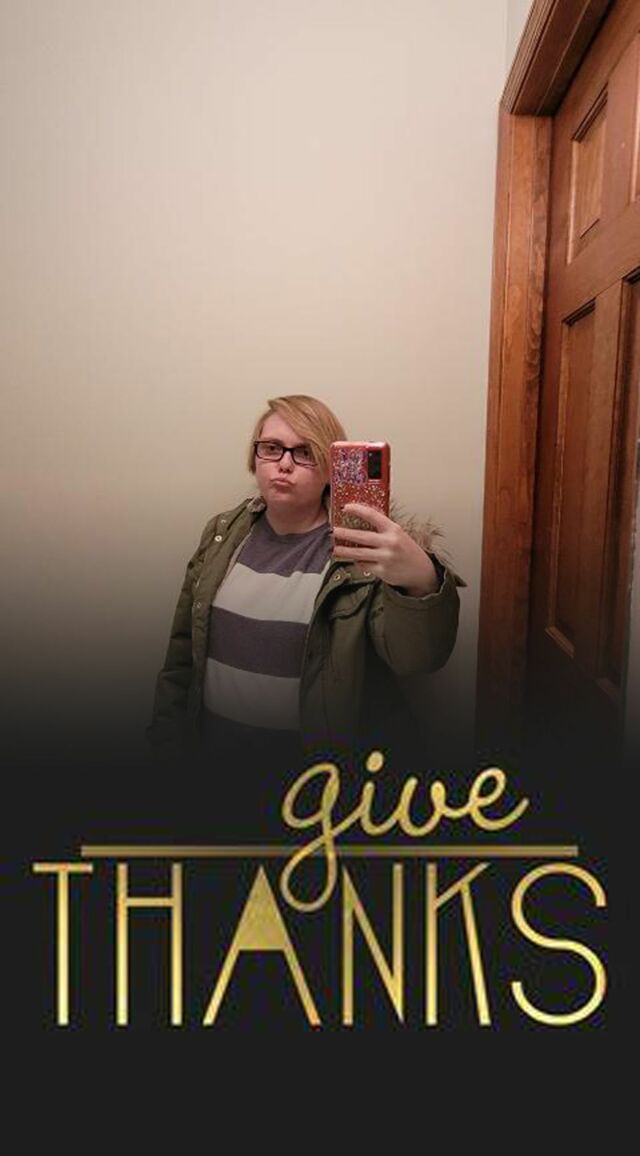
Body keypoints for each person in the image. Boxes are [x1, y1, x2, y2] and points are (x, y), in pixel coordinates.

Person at [148, 395, 461, 815]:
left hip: (320, 797)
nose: (284, 464)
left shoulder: (364, 553)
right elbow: (182, 659)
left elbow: (418, 659)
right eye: (271, 448)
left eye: (305, 453)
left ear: (332, 467)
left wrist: (421, 580)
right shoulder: (222, 534)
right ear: (254, 457)